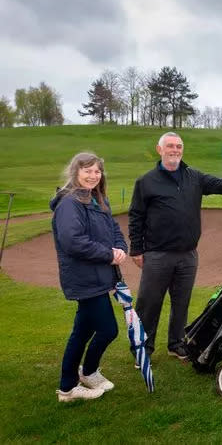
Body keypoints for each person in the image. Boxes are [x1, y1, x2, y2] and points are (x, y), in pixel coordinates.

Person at [128, 131, 222, 361]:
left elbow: (221, 185)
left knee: (181, 303)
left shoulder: (194, 177)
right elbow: (136, 217)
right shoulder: (146, 182)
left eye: (179, 146)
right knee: (149, 303)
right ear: (159, 149)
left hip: (187, 255)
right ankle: (143, 348)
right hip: (158, 255)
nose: (175, 150)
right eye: (170, 146)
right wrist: (137, 250)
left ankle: (176, 343)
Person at [51, 152, 128, 402]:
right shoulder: (69, 204)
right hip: (85, 278)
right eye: (87, 171)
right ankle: (85, 373)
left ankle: (69, 385)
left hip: (99, 275)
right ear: (75, 172)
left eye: (97, 171)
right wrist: (108, 254)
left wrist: (119, 249)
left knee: (82, 331)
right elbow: (73, 242)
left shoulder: (98, 200)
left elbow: (114, 230)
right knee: (108, 330)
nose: (93, 176)